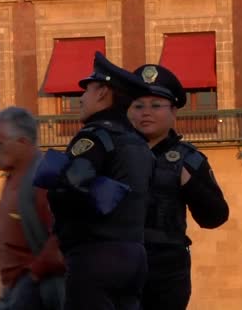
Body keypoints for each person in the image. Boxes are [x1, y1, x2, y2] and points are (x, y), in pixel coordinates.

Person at [35, 52, 155, 310]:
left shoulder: (93, 137)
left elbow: (68, 189)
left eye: (87, 90)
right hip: (135, 257)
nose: (81, 98)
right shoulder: (139, 144)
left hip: (95, 256)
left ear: (102, 92)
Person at [128, 64, 230, 310]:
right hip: (120, 262)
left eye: (156, 106)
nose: (146, 113)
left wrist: (187, 181)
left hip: (167, 269)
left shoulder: (189, 159)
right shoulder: (112, 155)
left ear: (174, 111)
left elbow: (215, 216)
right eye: (138, 106)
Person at [0, 107, 65, 310]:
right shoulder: (13, 178)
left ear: (22, 143)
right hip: (16, 291)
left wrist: (33, 276)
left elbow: (64, 236)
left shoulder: (44, 179)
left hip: (38, 292)